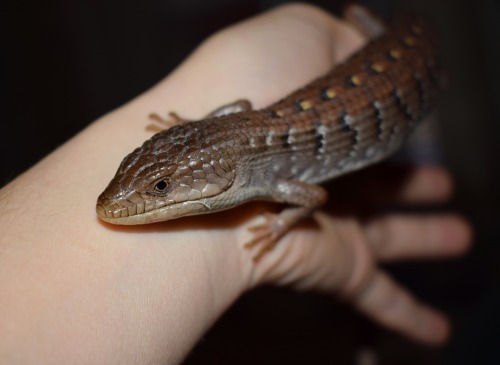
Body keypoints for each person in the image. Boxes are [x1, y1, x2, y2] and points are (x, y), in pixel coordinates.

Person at [0, 3, 471, 364]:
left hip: (408, 59)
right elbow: (238, 107)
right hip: (395, 50)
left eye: (161, 188)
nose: (143, 197)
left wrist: (282, 225)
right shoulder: (238, 143)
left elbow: (312, 194)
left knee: (385, 33)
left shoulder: (271, 176)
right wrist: (194, 124)